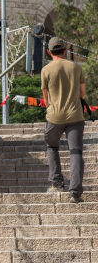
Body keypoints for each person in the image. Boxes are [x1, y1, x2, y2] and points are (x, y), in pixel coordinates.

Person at [41, 37, 87, 203]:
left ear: (49, 51)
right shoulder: (76, 67)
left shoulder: (45, 70)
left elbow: (46, 99)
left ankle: (57, 183)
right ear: (66, 50)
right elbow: (83, 94)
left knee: (52, 146)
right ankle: (75, 192)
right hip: (75, 116)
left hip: (54, 117)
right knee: (75, 152)